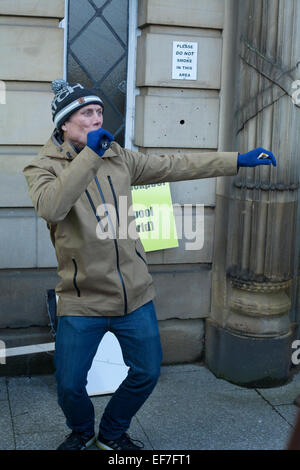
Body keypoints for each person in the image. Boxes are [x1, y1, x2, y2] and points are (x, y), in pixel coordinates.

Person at [23, 79, 277, 451]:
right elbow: (51, 207)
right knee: (69, 384)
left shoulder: (119, 157)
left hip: (134, 294)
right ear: (64, 123)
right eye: (85, 113)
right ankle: (81, 431)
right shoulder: (41, 166)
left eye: (98, 111)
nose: (96, 118)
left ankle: (111, 432)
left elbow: (174, 165)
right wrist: (90, 156)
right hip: (83, 299)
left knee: (146, 372)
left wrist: (235, 160)